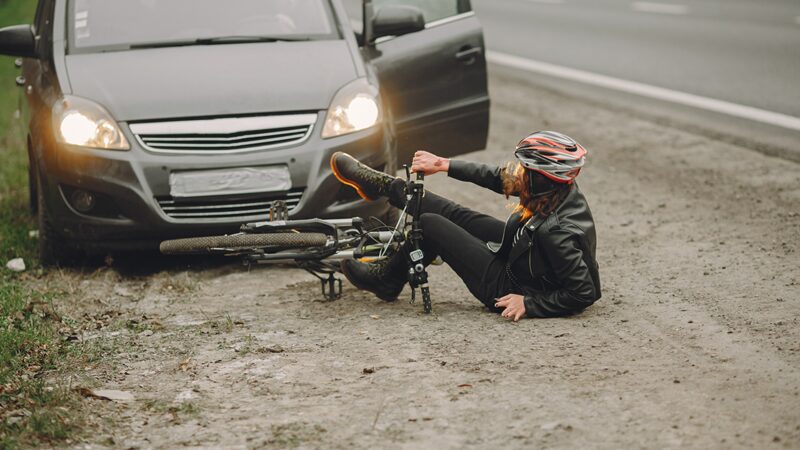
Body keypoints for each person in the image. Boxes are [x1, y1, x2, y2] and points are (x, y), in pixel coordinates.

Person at [330, 131, 601, 320]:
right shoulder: (555, 189)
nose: (519, 173)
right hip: (524, 252)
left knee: (431, 224)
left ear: (544, 178)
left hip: (507, 285)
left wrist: (529, 304)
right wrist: (444, 164)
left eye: (526, 169)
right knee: (455, 212)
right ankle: (387, 186)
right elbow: (498, 177)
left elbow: (584, 291)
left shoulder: (557, 233)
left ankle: (386, 280)